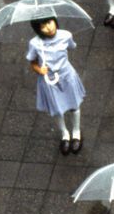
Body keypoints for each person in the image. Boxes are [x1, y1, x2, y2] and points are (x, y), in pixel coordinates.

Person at [26, 16, 85, 155]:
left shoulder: (66, 35)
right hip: (49, 80)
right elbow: (33, 62)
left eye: (49, 22)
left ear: (54, 20)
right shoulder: (35, 43)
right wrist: (40, 70)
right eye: (43, 26)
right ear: (38, 29)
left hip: (67, 76)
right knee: (57, 109)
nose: (49, 27)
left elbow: (71, 46)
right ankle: (65, 134)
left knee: (74, 105)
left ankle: (76, 132)